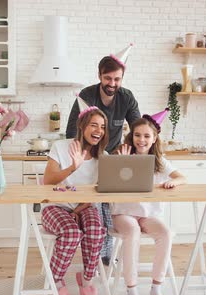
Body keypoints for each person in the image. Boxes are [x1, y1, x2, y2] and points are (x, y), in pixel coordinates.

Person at [66, 44, 141, 265]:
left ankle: (106, 255)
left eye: (117, 79)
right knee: (92, 205)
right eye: (108, 78)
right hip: (89, 157)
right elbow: (72, 131)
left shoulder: (127, 98)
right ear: (99, 76)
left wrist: (123, 151)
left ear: (122, 78)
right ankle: (94, 253)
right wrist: (85, 156)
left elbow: (137, 130)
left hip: (113, 159)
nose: (112, 84)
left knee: (110, 207)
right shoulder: (87, 95)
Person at [111, 109, 187, 295]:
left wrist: (173, 181)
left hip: (148, 214)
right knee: (132, 231)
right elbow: (110, 181)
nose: (141, 140)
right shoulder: (122, 152)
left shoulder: (159, 162)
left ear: (154, 138)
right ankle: (132, 292)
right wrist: (122, 162)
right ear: (131, 136)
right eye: (137, 135)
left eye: (146, 136)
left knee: (165, 233)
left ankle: (156, 290)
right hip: (124, 213)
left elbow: (182, 177)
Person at [41, 100, 109, 295]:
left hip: (84, 206)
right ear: (82, 126)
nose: (99, 130)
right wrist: (72, 167)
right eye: (94, 125)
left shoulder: (102, 156)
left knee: (97, 230)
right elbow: (48, 182)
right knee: (71, 232)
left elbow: (98, 193)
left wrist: (79, 209)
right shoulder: (61, 147)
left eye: (103, 127)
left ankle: (86, 279)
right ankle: (57, 281)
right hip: (55, 206)